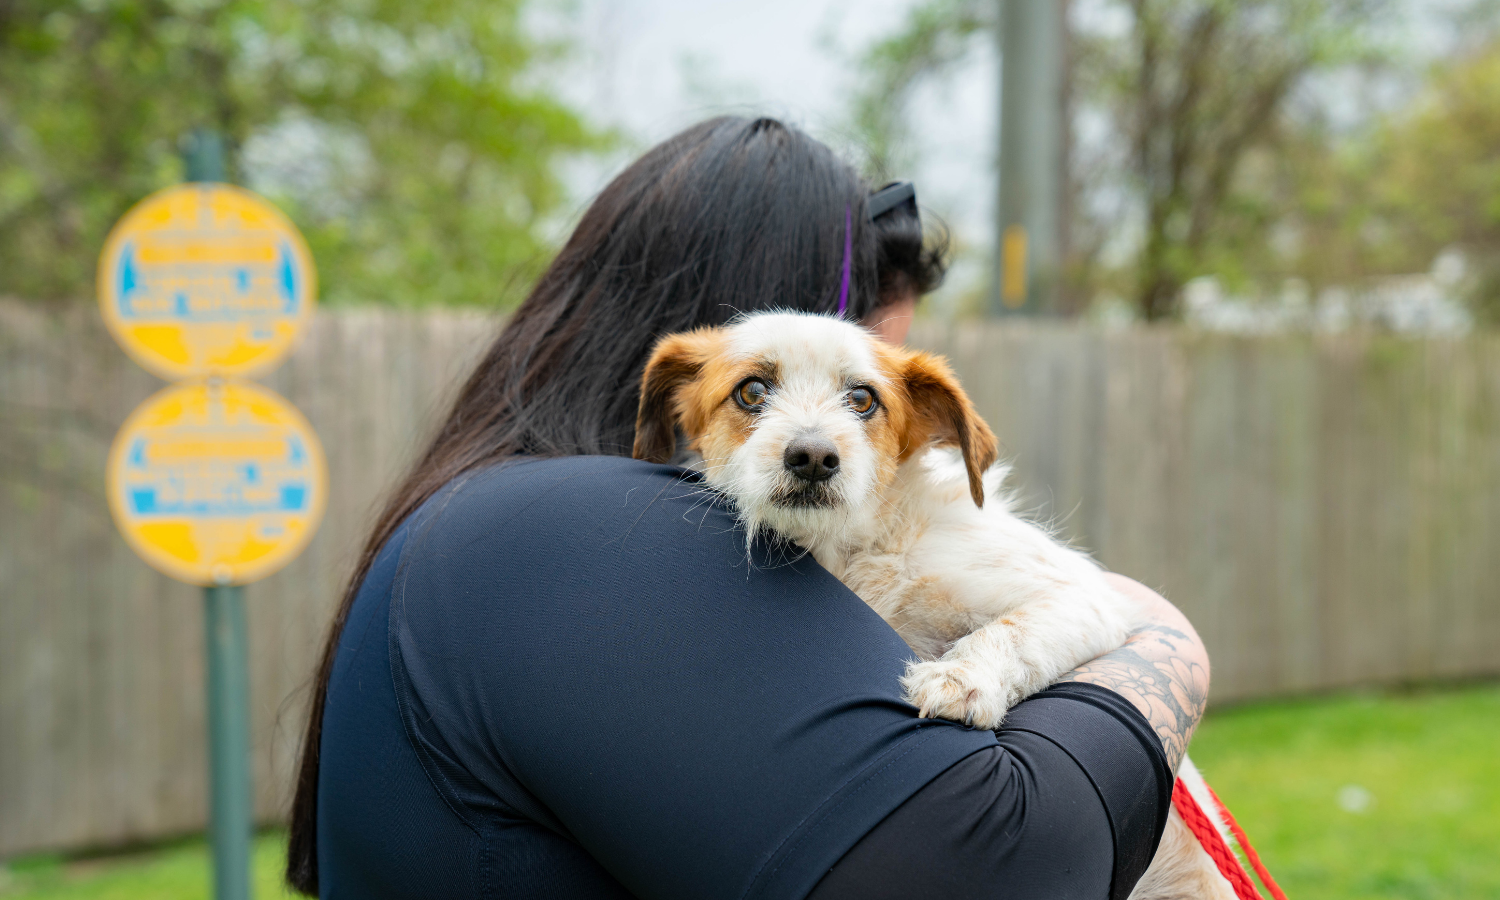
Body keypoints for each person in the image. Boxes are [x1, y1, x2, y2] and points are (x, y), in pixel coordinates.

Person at [285, 116, 1211, 900]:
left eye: (863, 398)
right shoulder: (583, 533)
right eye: (762, 387)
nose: (824, 435)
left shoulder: (485, 522)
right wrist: (1168, 648)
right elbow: (997, 861)